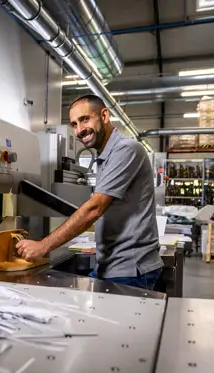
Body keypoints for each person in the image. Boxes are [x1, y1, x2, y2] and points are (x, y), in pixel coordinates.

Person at [16, 94, 163, 290]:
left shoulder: (126, 149)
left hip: (130, 270)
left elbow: (95, 208)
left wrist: (42, 246)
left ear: (104, 115)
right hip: (110, 264)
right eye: (74, 124)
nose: (79, 130)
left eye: (85, 119)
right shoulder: (105, 156)